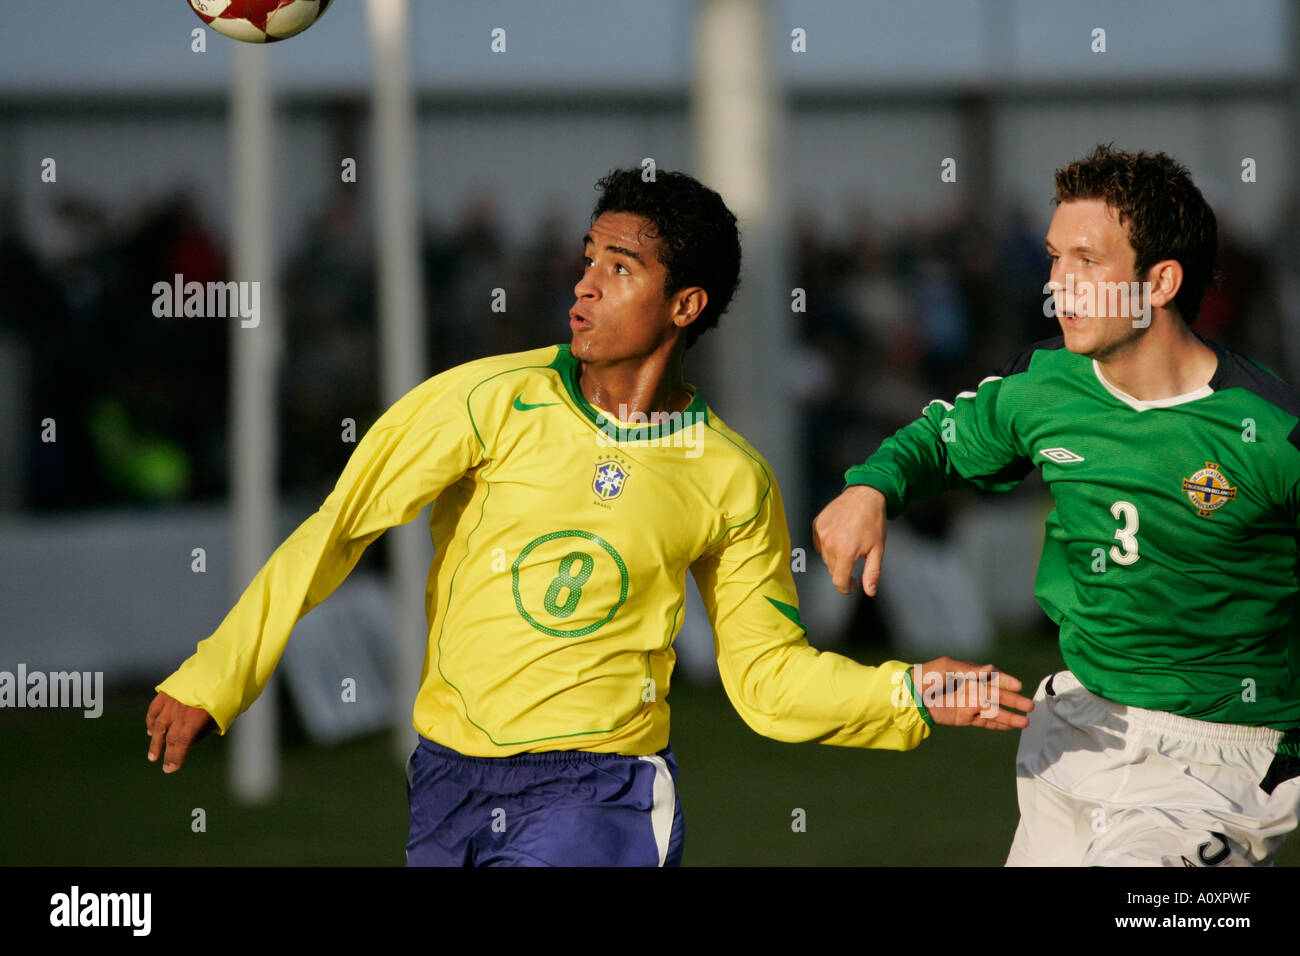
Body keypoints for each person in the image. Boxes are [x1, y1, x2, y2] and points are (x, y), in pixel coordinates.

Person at [147, 168, 1031, 867]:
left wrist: (909, 692)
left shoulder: (731, 477)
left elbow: (765, 681)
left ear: (684, 306)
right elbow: (338, 530)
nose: (584, 286)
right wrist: (215, 675)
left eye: (620, 268)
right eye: (587, 260)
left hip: (600, 797)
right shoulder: (484, 401)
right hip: (446, 779)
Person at [813, 144, 1300, 867]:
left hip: (1217, 764)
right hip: (1074, 733)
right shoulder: (1046, 385)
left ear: (1159, 281)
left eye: (1087, 262)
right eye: (1053, 259)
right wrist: (871, 487)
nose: (1058, 286)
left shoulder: (1269, 433)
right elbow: (944, 438)